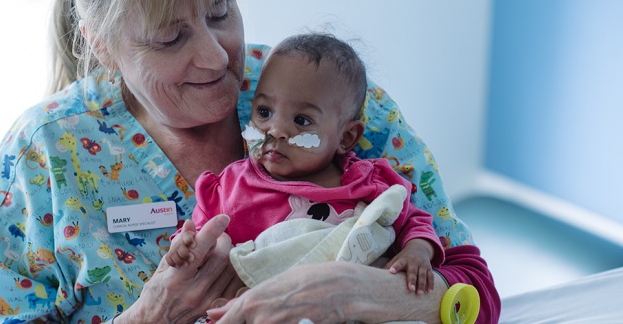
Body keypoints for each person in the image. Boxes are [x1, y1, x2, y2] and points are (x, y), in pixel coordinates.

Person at [0, 0, 500, 323]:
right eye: (171, 38)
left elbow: (479, 294)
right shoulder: (45, 155)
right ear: (100, 43)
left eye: (221, 12)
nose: (217, 57)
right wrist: (152, 315)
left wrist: (353, 291)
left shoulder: (332, 100)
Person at [166, 33, 442, 300]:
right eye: (264, 112)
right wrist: (184, 245)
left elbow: (415, 221)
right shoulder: (231, 187)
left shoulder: (369, 184)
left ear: (346, 137)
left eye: (301, 120)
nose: (276, 130)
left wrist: (417, 251)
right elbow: (198, 234)